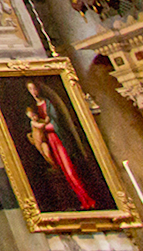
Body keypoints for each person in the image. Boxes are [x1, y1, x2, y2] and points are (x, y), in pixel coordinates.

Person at [25, 81, 98, 210]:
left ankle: (88, 199)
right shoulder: (33, 109)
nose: (33, 91)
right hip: (48, 141)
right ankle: (81, 201)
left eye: (34, 88)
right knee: (63, 173)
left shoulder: (47, 103)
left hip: (57, 139)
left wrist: (44, 127)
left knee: (70, 171)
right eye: (30, 89)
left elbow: (54, 122)